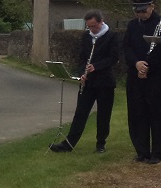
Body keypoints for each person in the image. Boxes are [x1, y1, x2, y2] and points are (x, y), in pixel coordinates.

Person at [50, 9, 118, 152]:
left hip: (105, 82)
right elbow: (82, 58)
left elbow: (113, 58)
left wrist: (96, 66)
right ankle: (68, 144)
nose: (92, 29)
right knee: (80, 113)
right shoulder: (86, 37)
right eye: (89, 26)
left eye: (94, 26)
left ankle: (101, 144)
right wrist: (82, 72)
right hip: (88, 83)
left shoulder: (111, 36)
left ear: (101, 22)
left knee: (103, 114)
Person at [123, 0, 161, 164]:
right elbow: (126, 47)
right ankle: (141, 150)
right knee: (137, 114)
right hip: (136, 75)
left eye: (143, 11)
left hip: (156, 76)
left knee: (158, 114)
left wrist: (148, 67)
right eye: (138, 12)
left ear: (152, 7)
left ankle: (158, 152)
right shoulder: (132, 25)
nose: (140, 15)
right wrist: (136, 64)